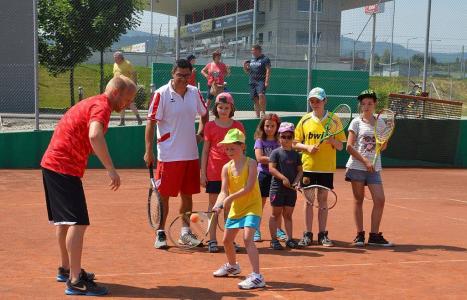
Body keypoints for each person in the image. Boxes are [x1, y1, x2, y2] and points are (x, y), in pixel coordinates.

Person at [41, 76, 137, 296]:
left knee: (64, 221)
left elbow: (88, 136)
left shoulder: (94, 103)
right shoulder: (102, 107)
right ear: (116, 93)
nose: (127, 104)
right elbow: (94, 135)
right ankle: (75, 281)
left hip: (54, 165)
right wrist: (111, 169)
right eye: (127, 98)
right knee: (78, 221)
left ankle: (66, 269)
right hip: (62, 167)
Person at [145, 59, 208, 249]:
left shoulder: (195, 92)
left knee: (187, 196)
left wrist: (200, 133)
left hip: (190, 154)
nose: (183, 79)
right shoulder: (161, 94)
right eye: (180, 75)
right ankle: (161, 233)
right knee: (164, 196)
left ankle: (185, 234)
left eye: (187, 75)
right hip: (169, 155)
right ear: (173, 73)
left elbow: (204, 114)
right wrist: (148, 151)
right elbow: (151, 123)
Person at [212, 128, 265, 290]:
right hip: (237, 208)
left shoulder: (251, 163)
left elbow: (248, 188)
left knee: (248, 238)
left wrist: (228, 199)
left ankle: (257, 276)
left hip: (252, 206)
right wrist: (218, 203)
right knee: (226, 241)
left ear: (242, 146)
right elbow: (223, 191)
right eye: (226, 148)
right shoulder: (226, 168)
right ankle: (233, 265)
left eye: (232, 148)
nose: (228, 151)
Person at [293, 87, 346, 247]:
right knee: (308, 201)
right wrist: (307, 148)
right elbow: (295, 143)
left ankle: (322, 234)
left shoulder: (334, 120)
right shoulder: (305, 120)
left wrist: (332, 141)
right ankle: (307, 234)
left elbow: (340, 147)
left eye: (318, 100)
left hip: (326, 168)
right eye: (312, 101)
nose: (315, 104)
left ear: (325, 101)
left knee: (323, 200)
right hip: (308, 167)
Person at [345, 89, 394, 247]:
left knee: (380, 200)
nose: (366, 106)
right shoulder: (356, 122)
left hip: (375, 168)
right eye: (363, 103)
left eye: (369, 103)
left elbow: (382, 146)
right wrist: (365, 161)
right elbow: (349, 147)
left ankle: (374, 236)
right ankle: (360, 235)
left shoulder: (380, 122)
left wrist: (384, 142)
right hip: (357, 167)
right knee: (358, 200)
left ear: (375, 104)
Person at [200, 92, 245, 253]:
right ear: (216, 108)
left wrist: (243, 172)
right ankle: (212, 240)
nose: (223, 110)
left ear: (232, 108)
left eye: (226, 107)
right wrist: (202, 173)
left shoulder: (238, 126)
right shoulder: (210, 126)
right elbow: (205, 151)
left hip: (233, 173)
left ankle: (229, 240)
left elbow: (242, 151)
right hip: (213, 172)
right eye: (220, 107)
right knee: (213, 206)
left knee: (229, 207)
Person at [268, 122, 303, 250]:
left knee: (288, 215)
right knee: (275, 214)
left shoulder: (296, 155)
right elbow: (271, 169)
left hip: (291, 190)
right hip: (277, 188)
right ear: (279, 137)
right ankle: (274, 240)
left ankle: (290, 239)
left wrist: (296, 181)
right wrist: (283, 178)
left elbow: (300, 170)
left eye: (289, 137)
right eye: (283, 136)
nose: (286, 139)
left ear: (293, 138)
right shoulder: (275, 153)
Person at [253, 113, 287, 242]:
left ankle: (279, 230)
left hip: (276, 176)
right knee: (259, 205)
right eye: (267, 126)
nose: (269, 128)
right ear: (263, 126)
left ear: (277, 127)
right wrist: (276, 159)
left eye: (272, 126)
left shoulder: (280, 141)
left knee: (277, 206)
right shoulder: (259, 141)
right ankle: (256, 230)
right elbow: (259, 158)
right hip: (263, 175)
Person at [113, 51, 143, 126]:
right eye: (114, 58)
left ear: (120, 57)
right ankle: (122, 121)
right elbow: (115, 75)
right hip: (118, 87)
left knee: (130, 103)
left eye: (115, 58)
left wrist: (134, 85)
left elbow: (134, 73)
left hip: (127, 87)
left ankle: (138, 118)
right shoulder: (115, 65)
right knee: (121, 103)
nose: (114, 60)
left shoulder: (127, 64)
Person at [243, 45, 271, 118]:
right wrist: (245, 67)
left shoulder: (265, 59)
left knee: (261, 95)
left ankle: (263, 113)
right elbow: (248, 71)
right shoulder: (251, 60)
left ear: (258, 50)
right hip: (252, 81)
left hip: (261, 81)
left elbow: (268, 70)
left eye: (253, 50)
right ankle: (257, 116)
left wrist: (266, 81)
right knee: (255, 99)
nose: (252, 52)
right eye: (252, 50)